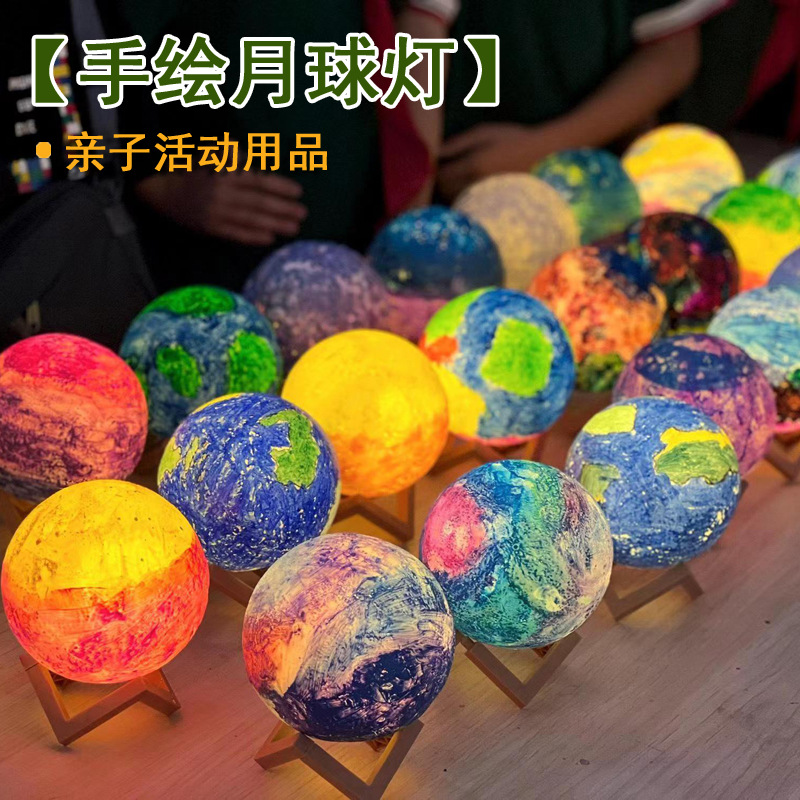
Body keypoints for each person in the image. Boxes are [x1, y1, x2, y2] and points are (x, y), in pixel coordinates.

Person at [112, 1, 437, 292]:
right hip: (209, 263)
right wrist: (157, 184)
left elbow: (419, 24)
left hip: (363, 248)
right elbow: (104, 50)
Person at [436, 0, 733, 200]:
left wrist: (541, 149)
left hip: (599, 179)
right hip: (452, 173)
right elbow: (419, 32)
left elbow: (671, 48)